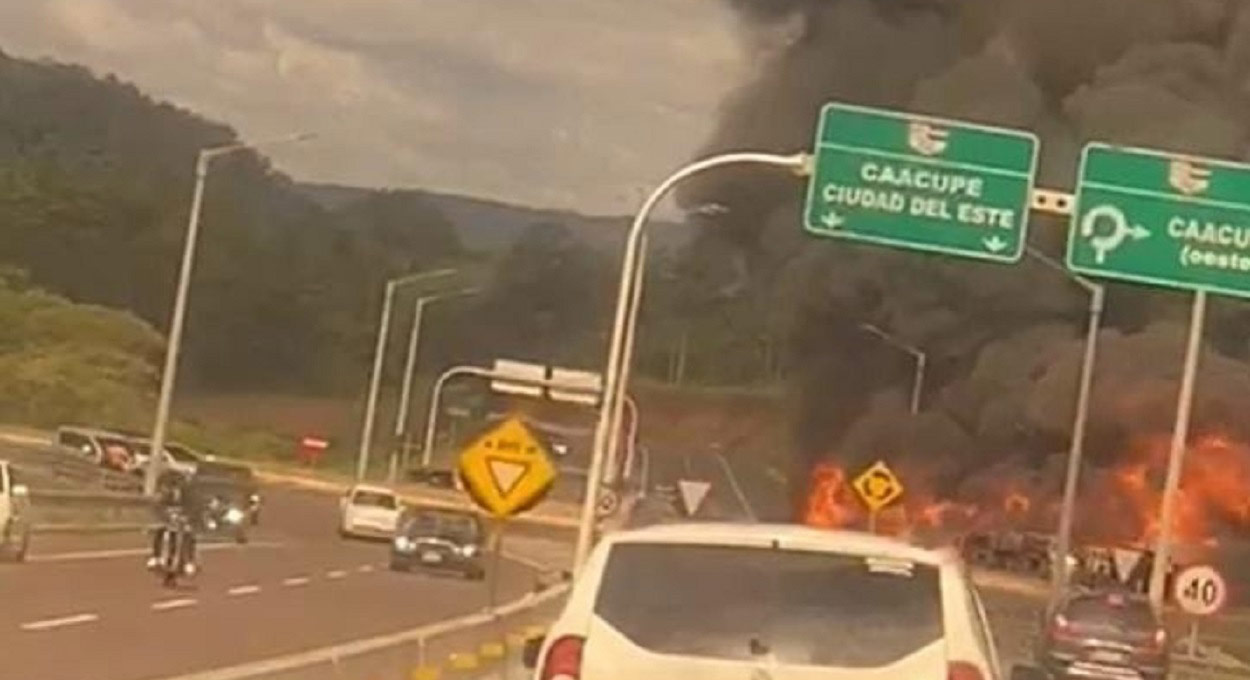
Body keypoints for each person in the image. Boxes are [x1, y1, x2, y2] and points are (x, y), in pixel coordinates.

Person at [147, 475, 197, 574]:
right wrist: (163, 516)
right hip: (169, 517)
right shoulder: (165, 494)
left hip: (183, 516)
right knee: (160, 530)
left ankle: (189, 561)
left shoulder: (189, 494)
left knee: (189, 533)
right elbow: (158, 506)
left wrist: (187, 517)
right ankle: (156, 556)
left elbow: (193, 507)